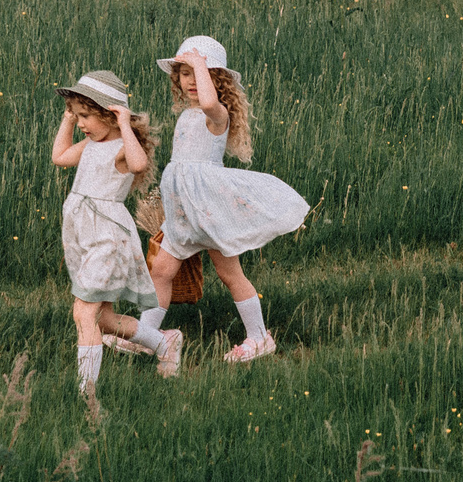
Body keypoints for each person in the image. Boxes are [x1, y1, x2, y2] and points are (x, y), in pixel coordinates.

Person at [133, 36, 308, 365]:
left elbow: (210, 102)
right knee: (161, 271)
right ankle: (148, 336)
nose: (191, 81)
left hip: (211, 213)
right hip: (184, 216)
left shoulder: (217, 115)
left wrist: (200, 66)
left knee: (230, 274)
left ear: (217, 80)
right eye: (184, 73)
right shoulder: (187, 115)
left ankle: (259, 337)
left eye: (200, 74)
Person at [51, 70, 177, 418]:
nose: (81, 123)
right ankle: (163, 342)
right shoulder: (91, 144)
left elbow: (139, 163)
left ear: (110, 114)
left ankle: (87, 395)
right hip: (86, 236)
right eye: (77, 115)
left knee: (84, 312)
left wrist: (125, 124)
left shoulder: (122, 147)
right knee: (103, 318)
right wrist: (67, 118)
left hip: (108, 238)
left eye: (86, 116)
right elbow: (60, 156)